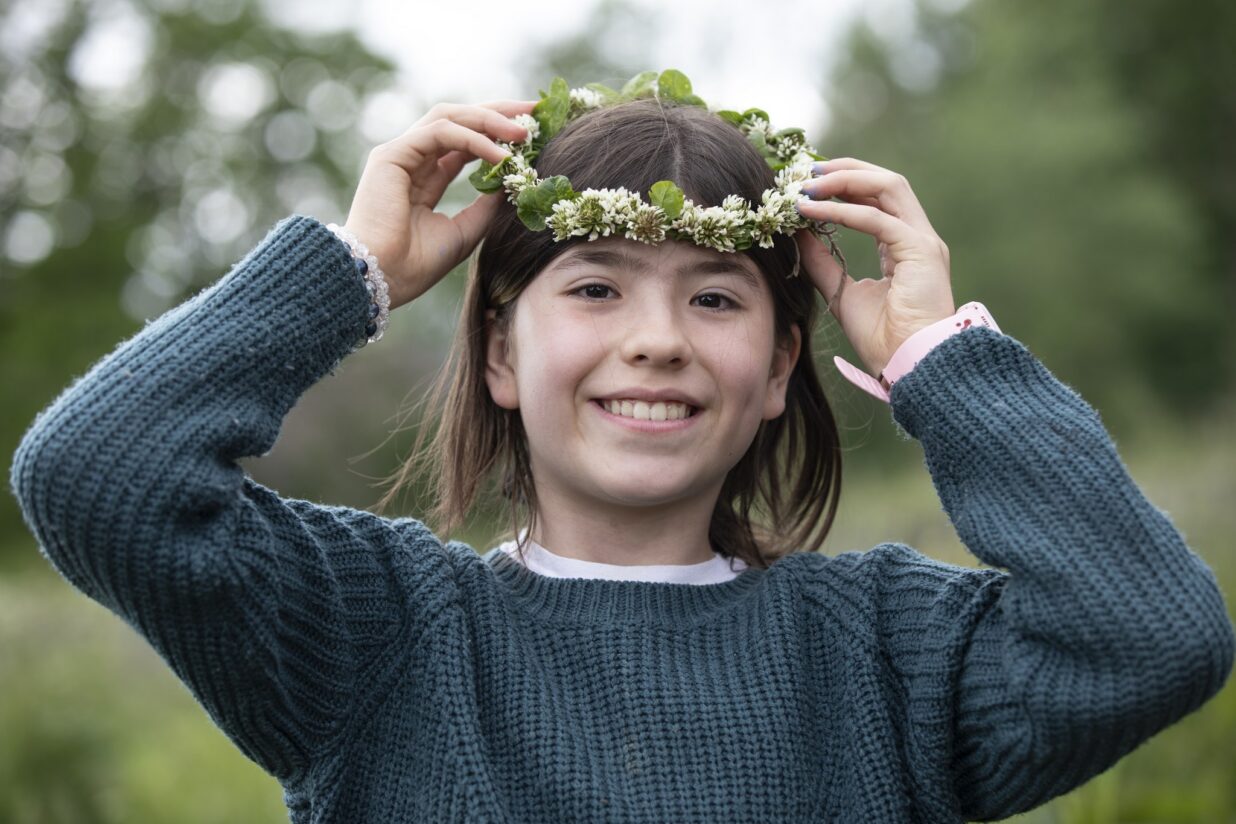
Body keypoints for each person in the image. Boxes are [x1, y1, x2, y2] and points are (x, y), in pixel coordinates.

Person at [9, 75, 1234, 823]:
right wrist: (355, 272)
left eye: (715, 298)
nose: (657, 339)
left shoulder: (885, 651)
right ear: (499, 354)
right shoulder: (372, 629)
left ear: (778, 370)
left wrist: (936, 355)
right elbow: (96, 476)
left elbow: (1155, 636)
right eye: (595, 288)